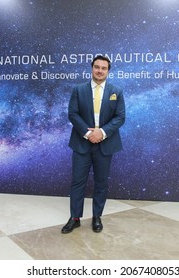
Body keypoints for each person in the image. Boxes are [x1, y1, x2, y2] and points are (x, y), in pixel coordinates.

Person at [61, 55, 126, 234]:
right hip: (82, 143)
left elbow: (120, 117)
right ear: (92, 68)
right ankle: (74, 218)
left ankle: (97, 216)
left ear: (108, 71)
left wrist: (101, 132)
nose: (99, 71)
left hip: (105, 144)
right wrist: (89, 133)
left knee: (101, 182)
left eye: (103, 68)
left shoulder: (116, 91)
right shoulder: (78, 89)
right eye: (96, 67)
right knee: (77, 182)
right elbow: (73, 114)